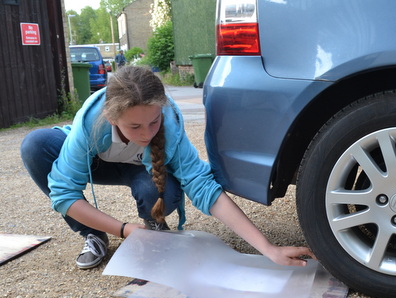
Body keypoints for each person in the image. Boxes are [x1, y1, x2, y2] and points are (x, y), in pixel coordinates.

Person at [20, 66, 313, 270]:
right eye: (134, 126)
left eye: (153, 121)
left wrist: (268, 249)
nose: (146, 133)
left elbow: (204, 188)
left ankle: (154, 224)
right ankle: (93, 233)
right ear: (112, 118)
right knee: (34, 145)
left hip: (141, 170)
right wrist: (122, 230)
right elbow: (63, 194)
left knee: (159, 190)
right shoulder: (91, 123)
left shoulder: (168, 125)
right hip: (99, 164)